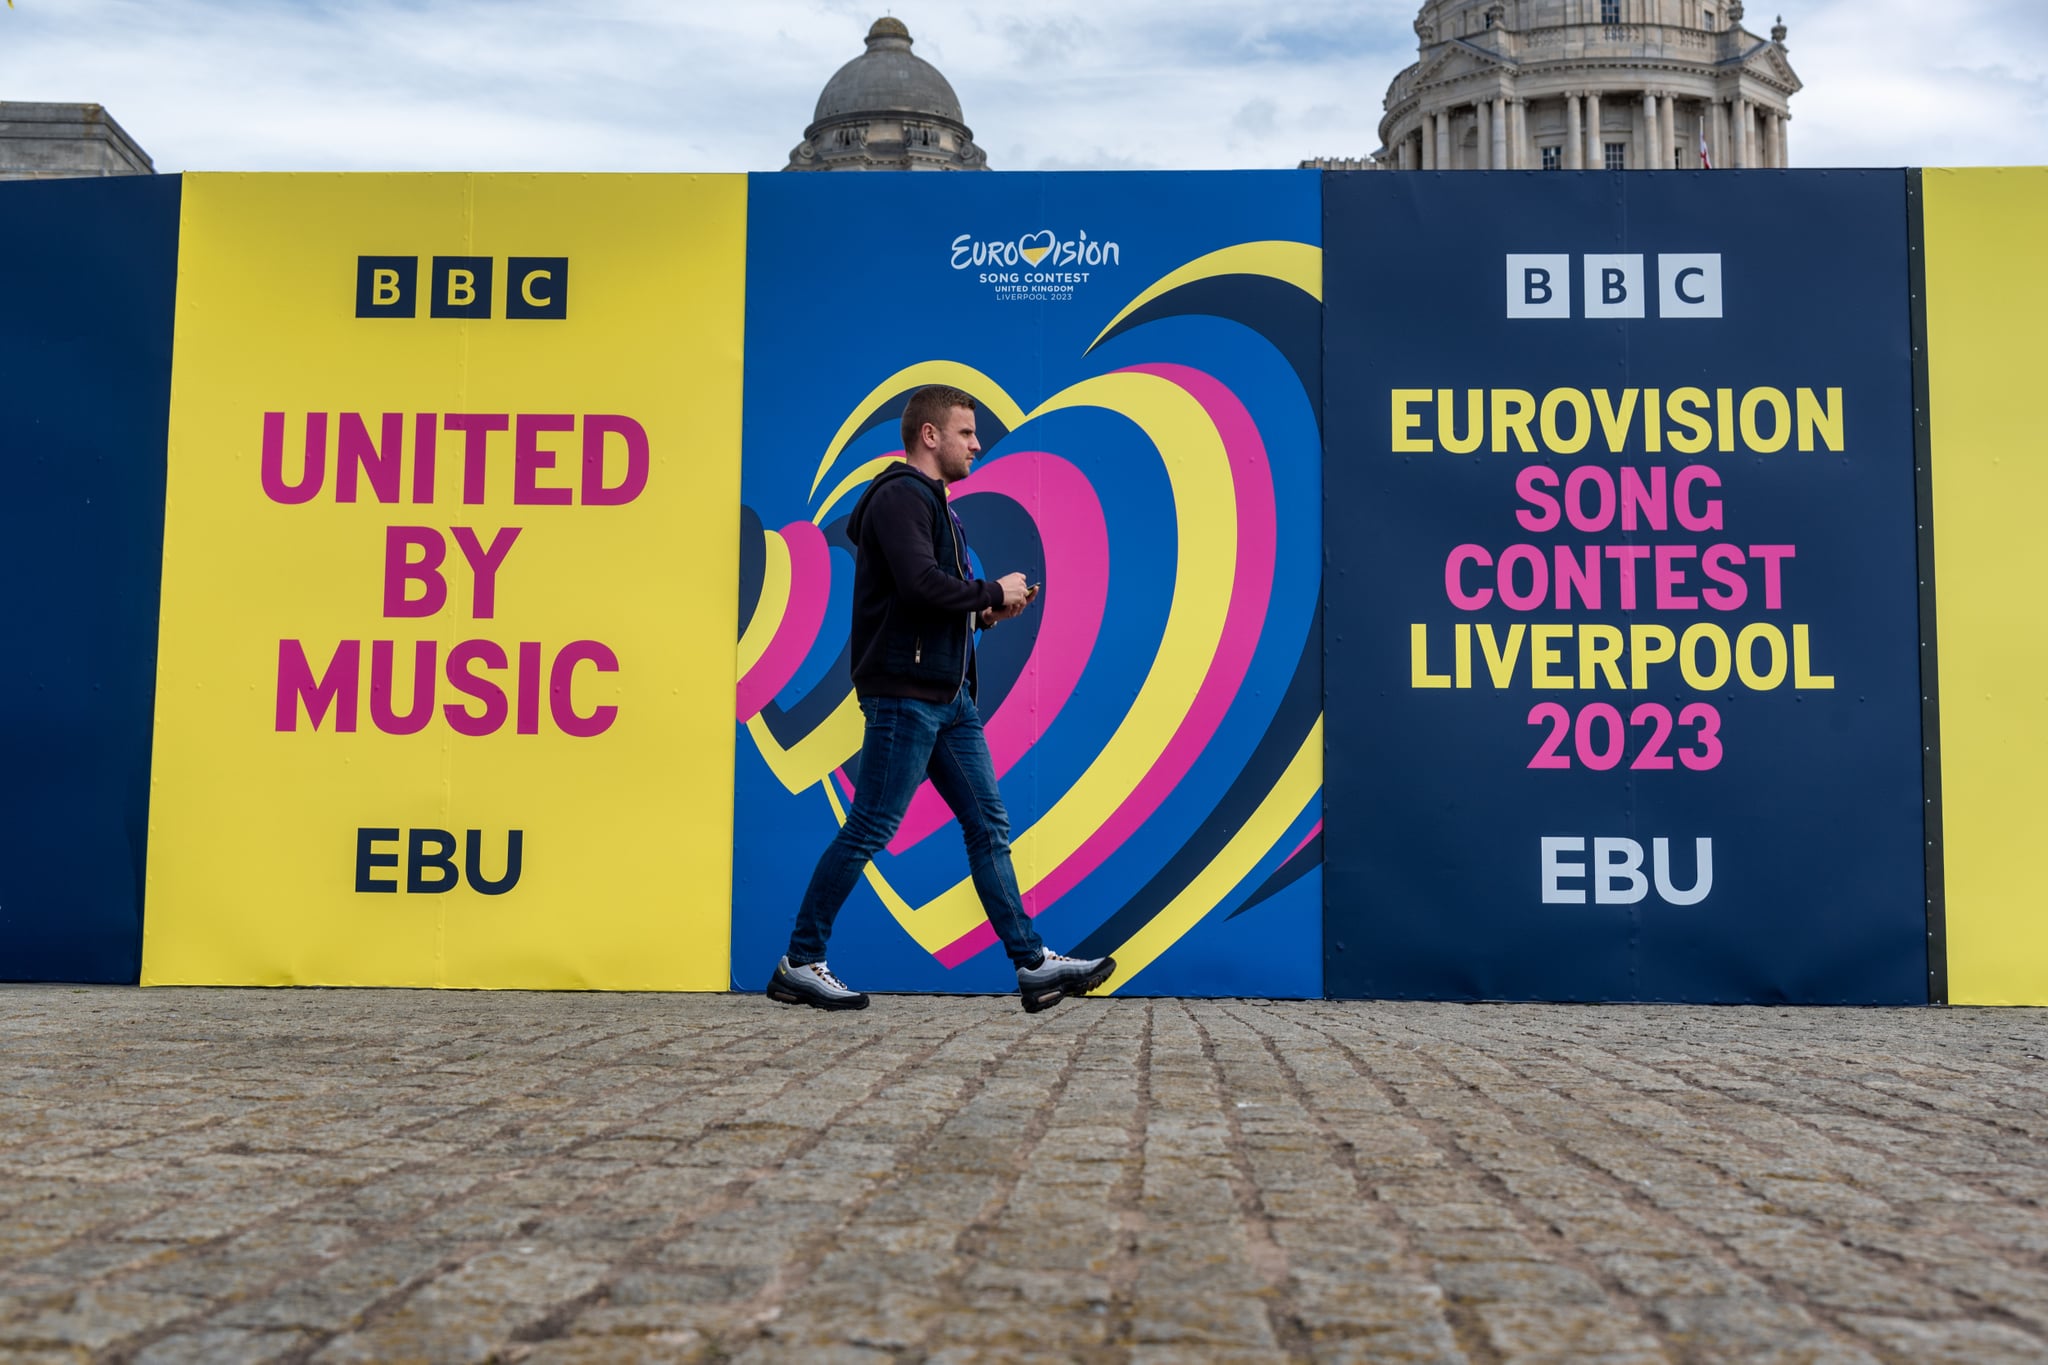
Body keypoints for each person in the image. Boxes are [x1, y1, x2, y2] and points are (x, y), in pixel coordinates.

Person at [767, 384, 1115, 1013]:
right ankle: (801, 960)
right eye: (966, 432)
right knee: (871, 827)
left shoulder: (932, 504)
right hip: (907, 697)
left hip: (947, 699)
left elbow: (924, 602)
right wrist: (989, 590)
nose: (977, 444)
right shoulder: (902, 496)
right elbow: (921, 584)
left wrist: (985, 615)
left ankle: (1032, 965)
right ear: (930, 436)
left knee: (989, 828)